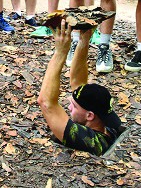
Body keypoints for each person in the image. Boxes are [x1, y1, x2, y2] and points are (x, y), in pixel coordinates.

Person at [37, 20, 123, 156]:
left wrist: (60, 52)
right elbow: (78, 82)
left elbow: (46, 103)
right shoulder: (106, 121)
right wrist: (84, 40)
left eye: (74, 106)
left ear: (90, 115)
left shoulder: (89, 140)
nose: (69, 108)